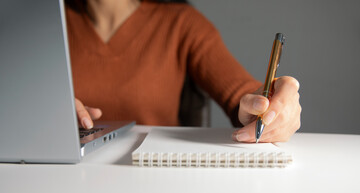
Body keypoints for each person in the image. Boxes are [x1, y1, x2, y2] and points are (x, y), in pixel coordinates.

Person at [65, 0, 301, 143]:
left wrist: (271, 106)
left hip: (156, 180)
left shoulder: (182, 23)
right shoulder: (42, 26)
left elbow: (241, 92)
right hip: (61, 181)